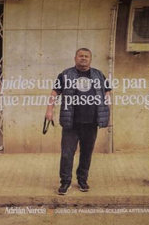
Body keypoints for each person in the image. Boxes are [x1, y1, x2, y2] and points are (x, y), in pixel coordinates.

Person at [46, 48, 111, 195]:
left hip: (91, 122)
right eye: (81, 56)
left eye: (86, 56)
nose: (83, 58)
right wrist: (49, 110)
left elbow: (107, 92)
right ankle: (65, 182)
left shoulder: (99, 75)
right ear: (75, 58)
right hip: (71, 123)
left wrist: (107, 113)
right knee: (67, 153)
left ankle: (82, 180)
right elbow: (55, 92)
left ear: (90, 59)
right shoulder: (65, 74)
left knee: (86, 153)